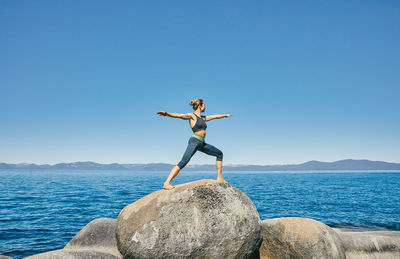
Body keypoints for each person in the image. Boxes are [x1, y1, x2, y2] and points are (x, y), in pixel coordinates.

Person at [157, 98, 232, 190]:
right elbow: (179, 115)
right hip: (194, 141)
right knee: (184, 161)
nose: (205, 107)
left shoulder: (203, 118)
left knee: (219, 153)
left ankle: (220, 177)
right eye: (204, 105)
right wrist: (166, 113)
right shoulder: (192, 116)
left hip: (201, 143)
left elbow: (214, 116)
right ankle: (166, 183)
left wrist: (224, 115)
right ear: (200, 106)